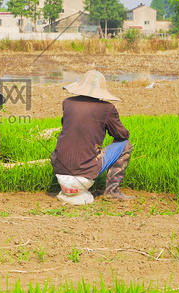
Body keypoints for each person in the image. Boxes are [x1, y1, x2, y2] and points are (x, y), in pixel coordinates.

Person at [50, 70, 133, 205]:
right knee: (125, 144)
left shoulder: (67, 103)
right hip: (84, 174)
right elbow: (122, 135)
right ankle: (112, 191)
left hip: (60, 169)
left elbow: (67, 126)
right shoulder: (107, 108)